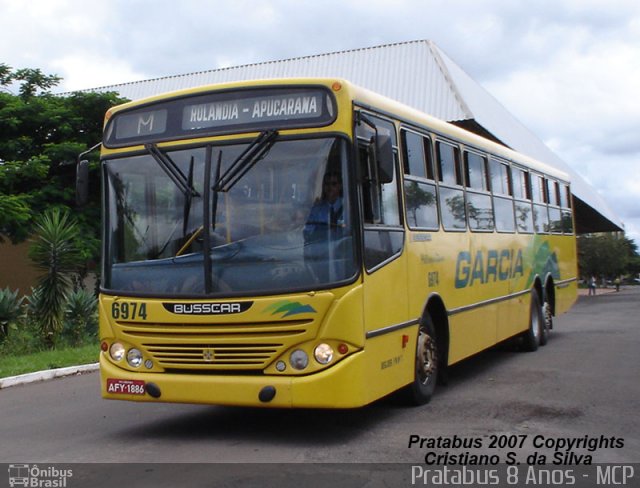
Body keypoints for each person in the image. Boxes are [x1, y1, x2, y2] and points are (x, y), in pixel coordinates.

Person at [303, 172, 344, 243]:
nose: (330, 187)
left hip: (342, 249)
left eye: (334, 184)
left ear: (340, 186)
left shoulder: (347, 206)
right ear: (323, 187)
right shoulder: (316, 209)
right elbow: (307, 233)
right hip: (321, 249)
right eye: (327, 184)